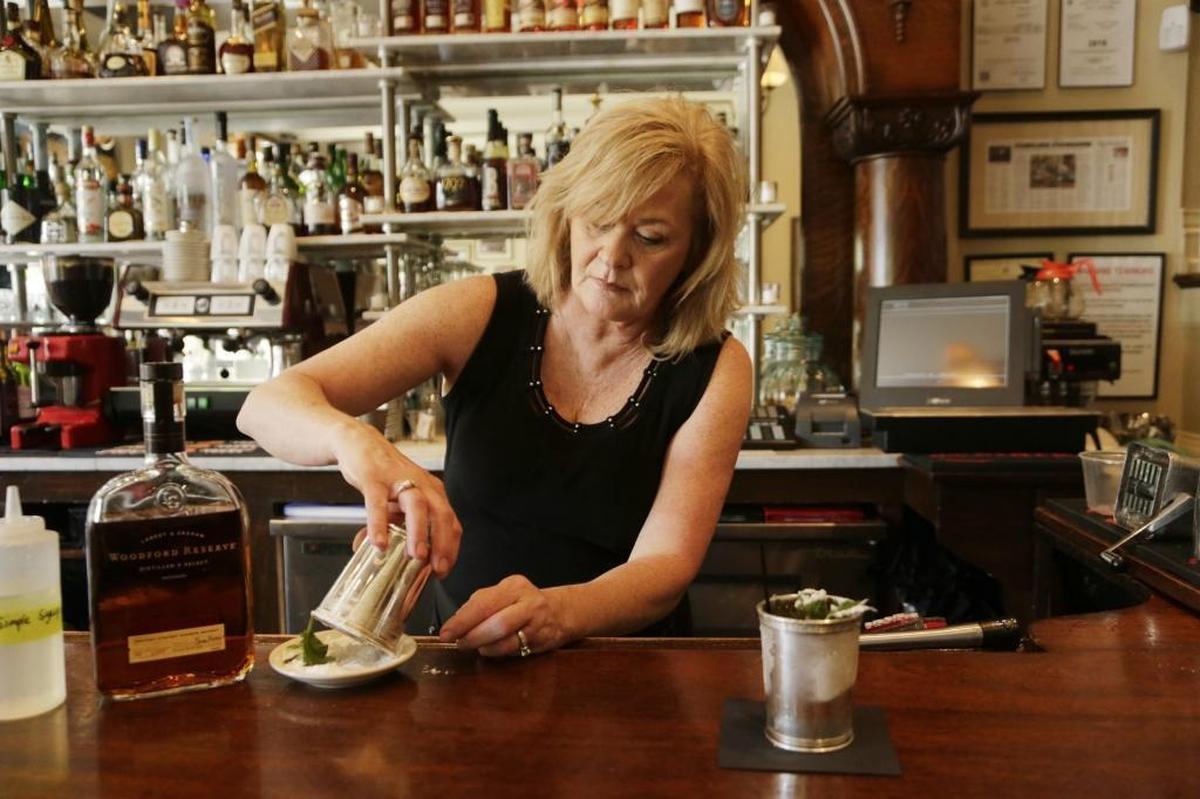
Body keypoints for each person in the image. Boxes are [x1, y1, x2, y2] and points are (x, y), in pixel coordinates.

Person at [237, 96, 752, 658]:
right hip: (463, 658)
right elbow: (266, 405)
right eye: (597, 220)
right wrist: (355, 441)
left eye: (650, 237)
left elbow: (666, 564)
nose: (611, 256)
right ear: (564, 213)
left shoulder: (716, 367)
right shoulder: (481, 311)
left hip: (622, 670)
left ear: (698, 253)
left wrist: (558, 613)